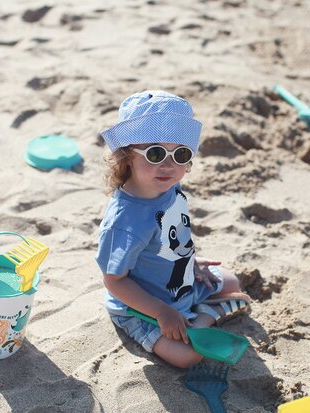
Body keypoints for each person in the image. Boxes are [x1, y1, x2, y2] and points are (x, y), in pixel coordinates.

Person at [95, 90, 251, 368]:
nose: (168, 165)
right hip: (141, 306)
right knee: (188, 356)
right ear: (127, 155)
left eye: (180, 153)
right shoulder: (124, 223)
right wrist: (162, 312)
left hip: (179, 281)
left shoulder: (167, 186)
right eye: (155, 153)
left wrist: (191, 261)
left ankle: (202, 314)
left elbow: (176, 235)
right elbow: (114, 281)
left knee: (231, 281)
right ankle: (205, 316)